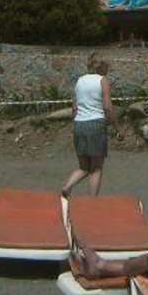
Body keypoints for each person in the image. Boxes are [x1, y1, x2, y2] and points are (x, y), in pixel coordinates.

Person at [61, 54, 114, 198]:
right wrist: (116, 127)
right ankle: (92, 203)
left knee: (83, 167)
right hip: (96, 124)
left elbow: (74, 108)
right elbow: (107, 106)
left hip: (79, 123)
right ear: (101, 66)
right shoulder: (103, 80)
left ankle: (67, 187)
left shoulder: (80, 81)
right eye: (107, 66)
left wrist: (74, 126)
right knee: (96, 168)